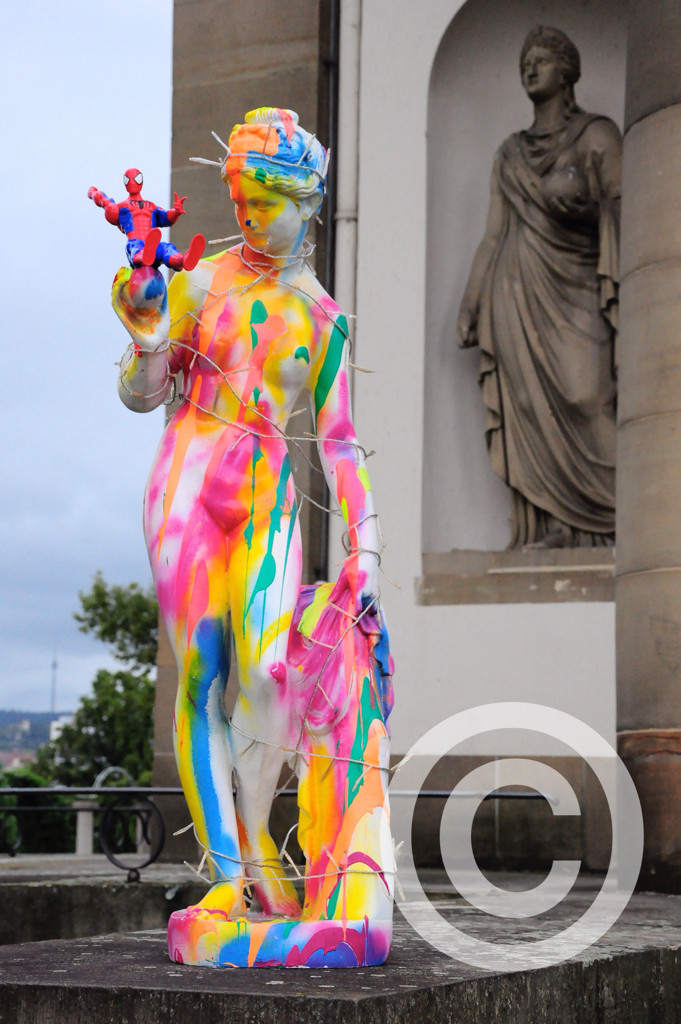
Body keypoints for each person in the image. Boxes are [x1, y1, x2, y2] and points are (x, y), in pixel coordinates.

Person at [112, 108, 393, 967]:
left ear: (309, 203)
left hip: (269, 494)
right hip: (190, 487)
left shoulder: (324, 319)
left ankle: (261, 844)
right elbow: (142, 393)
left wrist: (365, 544)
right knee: (201, 673)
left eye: (268, 200)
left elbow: (339, 442)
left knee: (271, 674)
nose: (249, 215)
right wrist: (148, 327)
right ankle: (230, 871)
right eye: (241, 197)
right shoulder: (200, 281)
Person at [457, 26, 621, 549]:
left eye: (543, 58)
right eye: (525, 59)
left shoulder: (598, 135)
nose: (531, 67)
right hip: (515, 292)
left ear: (568, 70)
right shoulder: (509, 153)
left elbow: (626, 210)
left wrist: (588, 213)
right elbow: (492, 235)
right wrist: (470, 303)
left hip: (575, 286)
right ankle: (552, 525)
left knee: (587, 394)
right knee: (529, 406)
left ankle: (619, 516)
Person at [88, 168, 205, 271]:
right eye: (128, 179)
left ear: (142, 181)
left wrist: (176, 212)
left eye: (137, 179)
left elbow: (165, 217)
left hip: (152, 246)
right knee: (135, 249)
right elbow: (103, 200)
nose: (133, 182)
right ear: (125, 183)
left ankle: (181, 260)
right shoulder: (121, 207)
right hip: (136, 244)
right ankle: (143, 257)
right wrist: (93, 193)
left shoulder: (152, 206)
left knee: (166, 248)